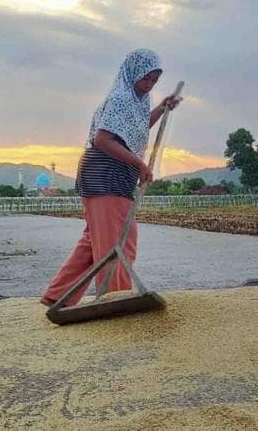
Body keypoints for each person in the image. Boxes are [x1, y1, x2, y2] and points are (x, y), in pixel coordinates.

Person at [41, 49, 182, 307]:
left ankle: (57, 295)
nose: (149, 85)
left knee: (95, 241)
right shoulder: (120, 99)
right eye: (145, 79)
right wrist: (139, 163)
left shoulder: (138, 101)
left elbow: (133, 130)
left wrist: (162, 107)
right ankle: (114, 299)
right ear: (132, 74)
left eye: (154, 80)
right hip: (104, 174)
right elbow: (102, 139)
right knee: (117, 242)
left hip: (116, 177)